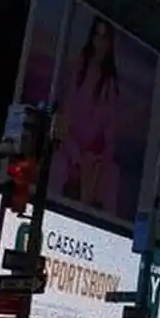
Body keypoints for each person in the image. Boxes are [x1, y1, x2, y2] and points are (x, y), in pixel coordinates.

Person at [51, 14, 120, 216]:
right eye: (97, 36)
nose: (100, 43)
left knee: (112, 175)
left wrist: (101, 158)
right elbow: (66, 115)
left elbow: (109, 130)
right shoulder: (79, 68)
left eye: (104, 38)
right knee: (58, 165)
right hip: (69, 146)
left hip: (93, 154)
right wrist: (76, 154)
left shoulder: (110, 82)